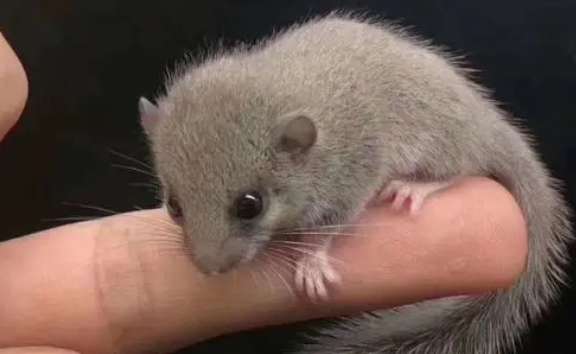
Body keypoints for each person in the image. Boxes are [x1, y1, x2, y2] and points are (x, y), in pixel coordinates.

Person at [0, 32, 528, 354]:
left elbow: (360, 169)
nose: (208, 261)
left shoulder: (324, 149)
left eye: (246, 209)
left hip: (440, 125)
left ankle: (442, 177)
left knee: (448, 171)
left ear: (297, 146)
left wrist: (319, 248)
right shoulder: (199, 132)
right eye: (179, 210)